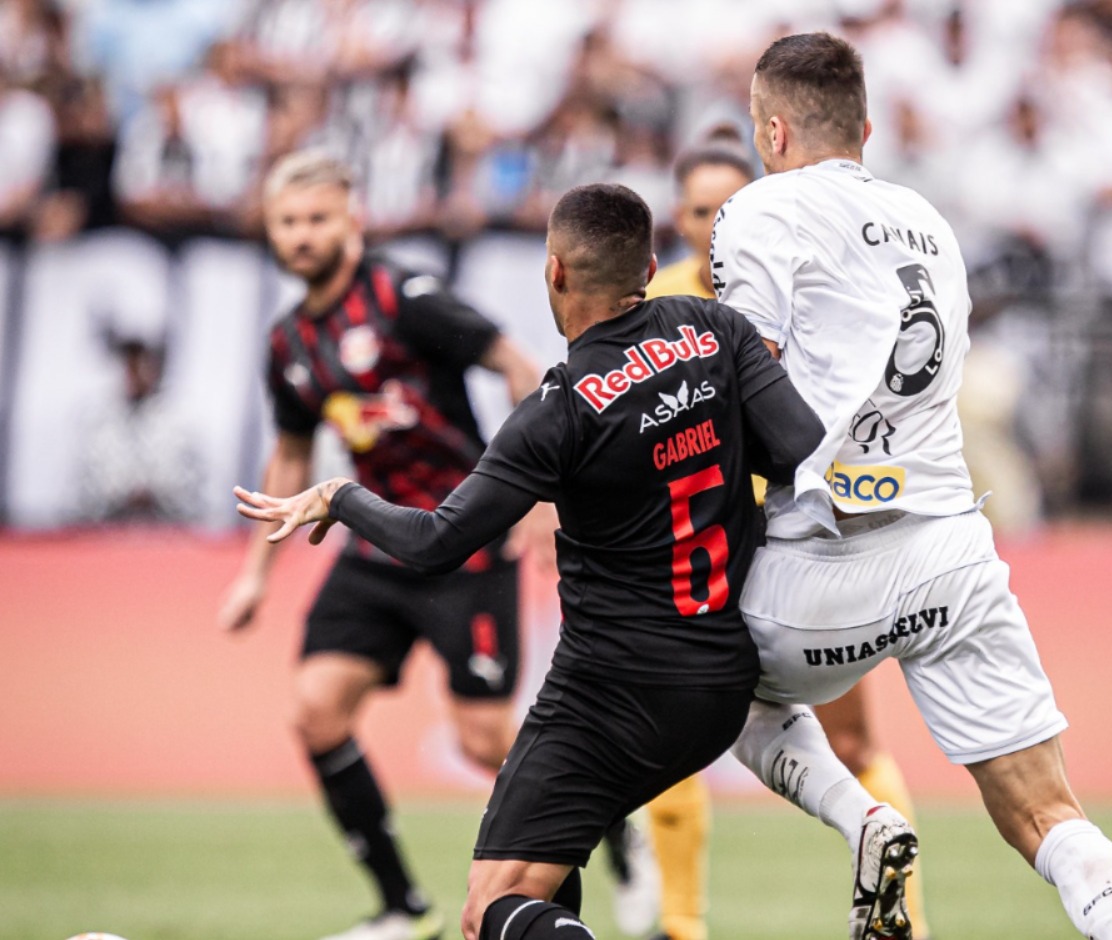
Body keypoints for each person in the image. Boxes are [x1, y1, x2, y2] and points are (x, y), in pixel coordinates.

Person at [232, 182, 842, 940]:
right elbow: (795, 452)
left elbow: (433, 542)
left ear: (553, 273)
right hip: (722, 678)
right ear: (650, 266)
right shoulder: (717, 330)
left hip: (609, 692)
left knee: (489, 910)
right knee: (543, 877)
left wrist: (339, 496)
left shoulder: (558, 411)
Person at [713, 32, 1112, 940]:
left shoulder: (759, 209)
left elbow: (741, 374)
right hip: (949, 552)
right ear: (866, 127)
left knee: (699, 674)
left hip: (818, 561)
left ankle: (865, 820)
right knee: (1045, 816)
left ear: (770, 131)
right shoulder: (929, 220)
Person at [218, 148, 546, 940]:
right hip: (373, 543)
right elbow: (292, 455)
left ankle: (608, 829)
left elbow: (517, 365)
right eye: (287, 223)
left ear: (353, 221)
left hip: (463, 543)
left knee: (483, 744)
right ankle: (404, 908)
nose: (302, 236)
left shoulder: (406, 298)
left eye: (316, 219)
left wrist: (536, 493)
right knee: (316, 710)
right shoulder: (289, 343)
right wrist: (256, 569)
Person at [643, 130, 931, 940]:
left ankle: (903, 918)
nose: (712, 227)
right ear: (679, 214)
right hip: (693, 549)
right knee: (666, 725)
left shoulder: (814, 303)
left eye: (727, 210)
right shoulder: (654, 304)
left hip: (799, 547)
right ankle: (679, 922)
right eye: (698, 210)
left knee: (851, 740)